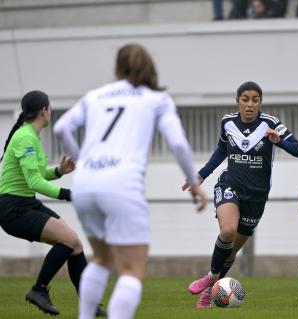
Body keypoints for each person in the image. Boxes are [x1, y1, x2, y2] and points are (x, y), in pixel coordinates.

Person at [53, 43, 207, 319]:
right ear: (150, 69)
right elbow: (178, 144)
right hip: (121, 184)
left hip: (86, 183)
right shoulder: (156, 99)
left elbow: (61, 128)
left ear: (116, 69)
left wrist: (84, 162)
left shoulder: (95, 96)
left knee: (100, 259)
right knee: (131, 270)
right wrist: (195, 184)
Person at [182, 81, 298, 308]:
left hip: (257, 196)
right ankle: (210, 277)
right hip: (230, 184)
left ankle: (209, 291)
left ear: (260, 102)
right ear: (237, 101)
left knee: (230, 254)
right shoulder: (228, 122)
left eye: (255, 100)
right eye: (245, 99)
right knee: (227, 230)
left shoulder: (271, 123)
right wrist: (201, 175)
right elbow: (221, 150)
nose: (249, 105)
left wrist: (280, 142)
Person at [0, 91, 106, 317]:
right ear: (44, 111)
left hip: (25, 203)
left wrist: (59, 171)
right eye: (50, 107)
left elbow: (37, 175)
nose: (51, 111)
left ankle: (90, 305)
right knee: (68, 241)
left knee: (75, 243)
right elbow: (34, 181)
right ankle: (38, 290)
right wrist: (69, 194)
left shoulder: (31, 136)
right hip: (12, 209)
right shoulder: (25, 137)